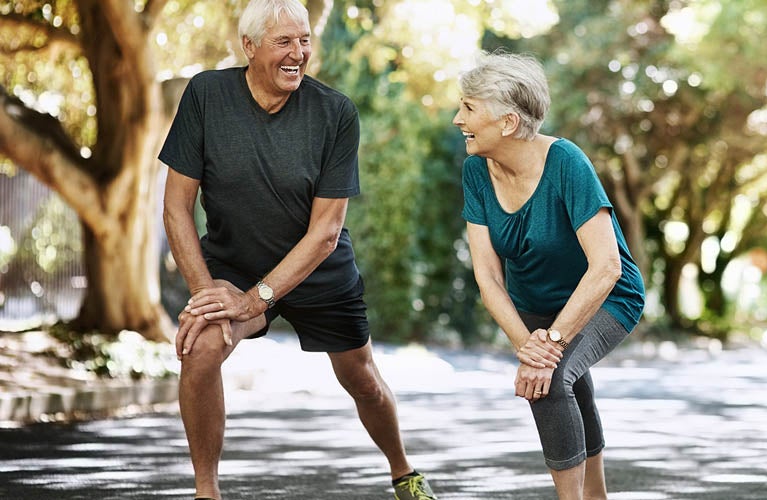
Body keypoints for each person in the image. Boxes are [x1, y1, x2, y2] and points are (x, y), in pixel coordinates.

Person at [159, 1, 436, 499]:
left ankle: (403, 472)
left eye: (304, 40)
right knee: (201, 348)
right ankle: (207, 492)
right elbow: (177, 207)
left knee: (364, 380)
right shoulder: (206, 95)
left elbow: (326, 232)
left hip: (319, 270)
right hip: (234, 265)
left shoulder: (335, 113)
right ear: (248, 47)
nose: (299, 53)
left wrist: (255, 300)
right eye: (284, 41)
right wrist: (206, 295)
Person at [453, 51, 646, 500]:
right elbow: (488, 277)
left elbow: (606, 267)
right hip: (534, 307)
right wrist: (527, 344)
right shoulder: (476, 171)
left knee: (551, 381)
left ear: (506, 122)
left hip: (606, 297)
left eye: (468, 108)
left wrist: (550, 346)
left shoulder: (566, 163)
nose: (456, 118)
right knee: (565, 381)